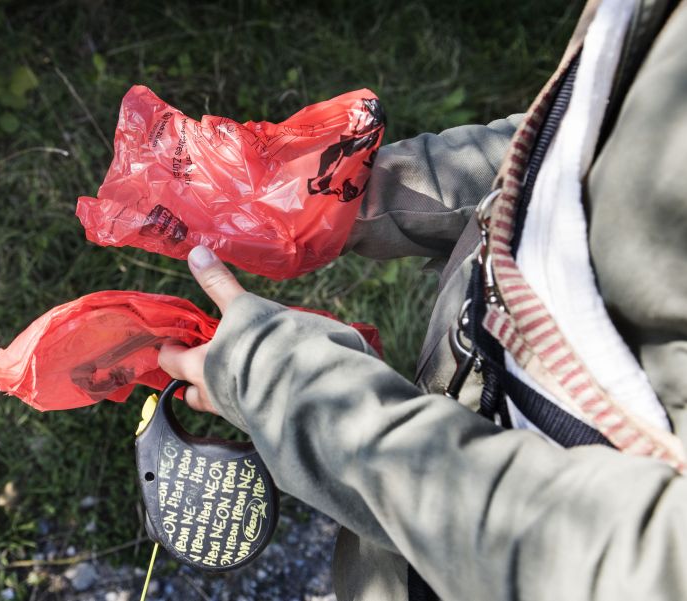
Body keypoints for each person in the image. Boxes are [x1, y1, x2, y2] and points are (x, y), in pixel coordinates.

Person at [158, 0, 687, 598]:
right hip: (407, 547)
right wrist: (349, 198)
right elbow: (584, 142)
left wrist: (282, 383)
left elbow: (613, 564)